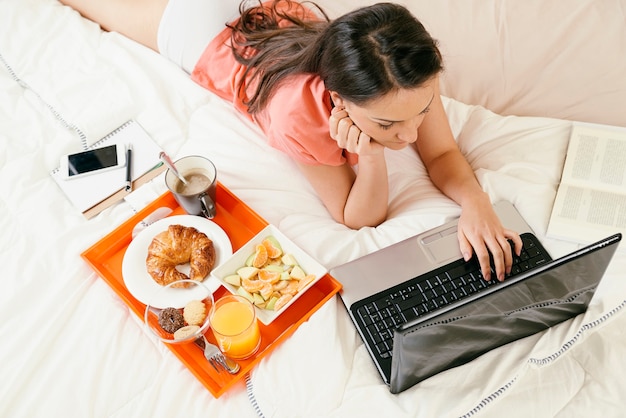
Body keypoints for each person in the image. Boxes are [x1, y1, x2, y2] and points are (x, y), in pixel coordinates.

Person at [58, 0, 522, 281]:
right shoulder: (295, 114)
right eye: (388, 126)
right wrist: (370, 155)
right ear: (339, 100)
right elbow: (355, 217)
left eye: (421, 112)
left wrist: (476, 202)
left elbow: (440, 153)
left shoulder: (406, 80)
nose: (411, 134)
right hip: (199, 30)